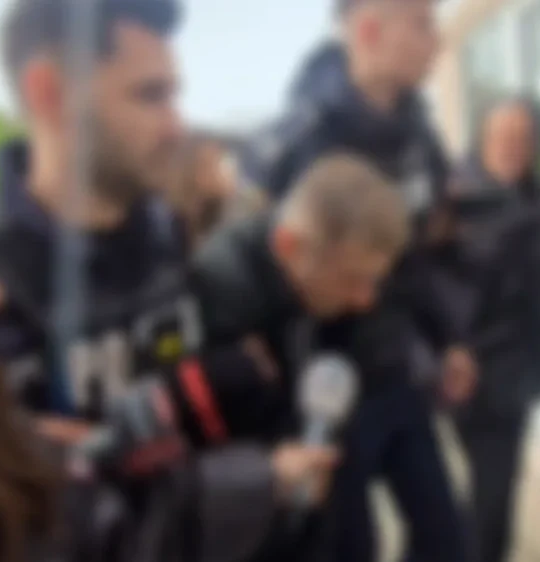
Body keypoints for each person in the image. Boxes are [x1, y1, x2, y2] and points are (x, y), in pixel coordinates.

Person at [0, 1, 339, 560]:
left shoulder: (167, 231)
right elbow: (45, 520)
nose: (177, 124)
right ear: (49, 93)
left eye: (175, 95)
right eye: (149, 95)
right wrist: (254, 484)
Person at [239, 1, 472, 559]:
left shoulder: (421, 137)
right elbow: (250, 258)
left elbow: (424, 254)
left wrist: (450, 338)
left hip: (398, 371)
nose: (437, 40)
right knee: (348, 547)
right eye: (421, 24)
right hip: (325, 389)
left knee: (447, 538)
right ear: (369, 29)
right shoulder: (298, 139)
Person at [193, 152, 466, 562]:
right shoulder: (223, 297)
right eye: (353, 280)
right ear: (289, 246)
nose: (365, 299)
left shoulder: (310, 283)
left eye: (374, 281)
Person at [448, 98, 540, 562]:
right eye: (501, 137)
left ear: (537, 144)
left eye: (523, 138)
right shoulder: (453, 200)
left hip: (514, 372)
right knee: (483, 495)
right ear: (482, 140)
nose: (511, 148)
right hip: (459, 368)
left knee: (493, 494)